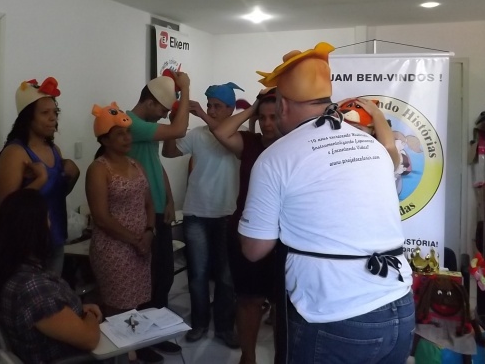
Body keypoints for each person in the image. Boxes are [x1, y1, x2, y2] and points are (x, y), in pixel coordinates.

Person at [239, 42, 414, 364]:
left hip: (332, 313)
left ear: (283, 105)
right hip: (400, 305)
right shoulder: (373, 146)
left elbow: (254, 249)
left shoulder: (277, 156)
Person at [162, 82, 243, 348]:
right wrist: (173, 124)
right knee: (197, 275)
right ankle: (199, 323)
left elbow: (223, 136)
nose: (211, 110)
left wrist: (203, 116)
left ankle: (224, 328)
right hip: (196, 213)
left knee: (226, 277)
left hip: (227, 215)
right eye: (209, 106)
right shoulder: (197, 135)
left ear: (231, 109)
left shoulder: (238, 136)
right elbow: (168, 152)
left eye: (217, 106)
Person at [0, 189, 102, 364]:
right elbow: (90, 339)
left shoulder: (5, 271)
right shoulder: (34, 290)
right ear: (34, 230)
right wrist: (89, 315)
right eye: (47, 218)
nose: (50, 225)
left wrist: (78, 310)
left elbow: (52, 315)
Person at [211, 87, 281, 364]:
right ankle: (248, 357)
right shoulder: (250, 143)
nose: (267, 123)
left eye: (273, 117)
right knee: (248, 300)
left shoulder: (294, 146)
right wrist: (254, 107)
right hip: (246, 233)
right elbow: (221, 132)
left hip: (284, 235)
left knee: (281, 305)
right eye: (262, 118)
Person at [126, 71, 191, 359]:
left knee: (163, 276)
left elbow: (155, 163)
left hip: (158, 210)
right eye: (163, 109)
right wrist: (185, 89)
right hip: (141, 215)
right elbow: (179, 130)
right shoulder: (131, 124)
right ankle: (141, 344)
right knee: (145, 280)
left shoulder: (146, 127)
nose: (165, 115)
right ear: (150, 102)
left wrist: (169, 197)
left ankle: (157, 333)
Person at [0, 77, 80, 274]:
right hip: (26, 246)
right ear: (28, 117)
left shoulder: (54, 150)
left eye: (55, 112)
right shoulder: (15, 153)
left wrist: (74, 175)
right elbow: (8, 209)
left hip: (56, 239)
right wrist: (41, 179)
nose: (53, 118)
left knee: (53, 293)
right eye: (45, 113)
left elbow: (56, 195)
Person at [85, 102, 154, 317]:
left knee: (137, 306)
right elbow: (101, 217)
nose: (127, 138)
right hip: (114, 250)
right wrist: (135, 240)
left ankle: (136, 341)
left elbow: (148, 203)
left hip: (141, 247)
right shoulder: (99, 169)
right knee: (118, 310)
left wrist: (149, 232)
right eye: (120, 134)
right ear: (105, 140)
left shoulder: (136, 165)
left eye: (128, 133)